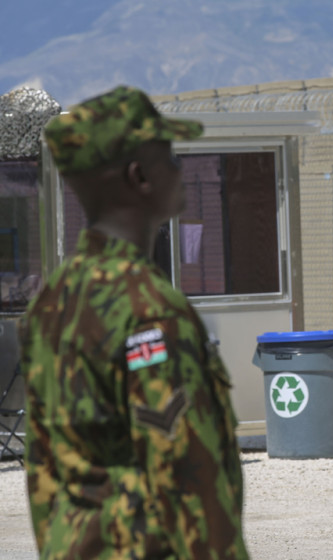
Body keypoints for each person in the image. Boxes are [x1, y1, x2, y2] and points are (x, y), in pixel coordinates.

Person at [20, 85, 250, 559]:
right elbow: (189, 484)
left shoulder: (52, 302)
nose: (180, 170)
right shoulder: (150, 309)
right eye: (169, 157)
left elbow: (44, 469)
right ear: (139, 176)